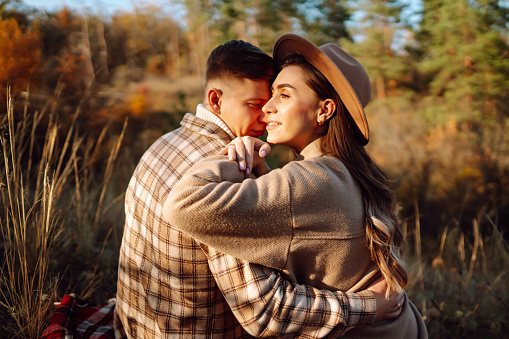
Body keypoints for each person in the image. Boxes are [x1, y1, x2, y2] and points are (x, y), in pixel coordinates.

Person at [114, 39, 404, 338]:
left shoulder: (163, 144)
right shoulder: (335, 169)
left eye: (283, 95)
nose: (266, 110)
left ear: (324, 110)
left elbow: (265, 310)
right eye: (256, 103)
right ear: (215, 99)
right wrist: (367, 306)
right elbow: (265, 312)